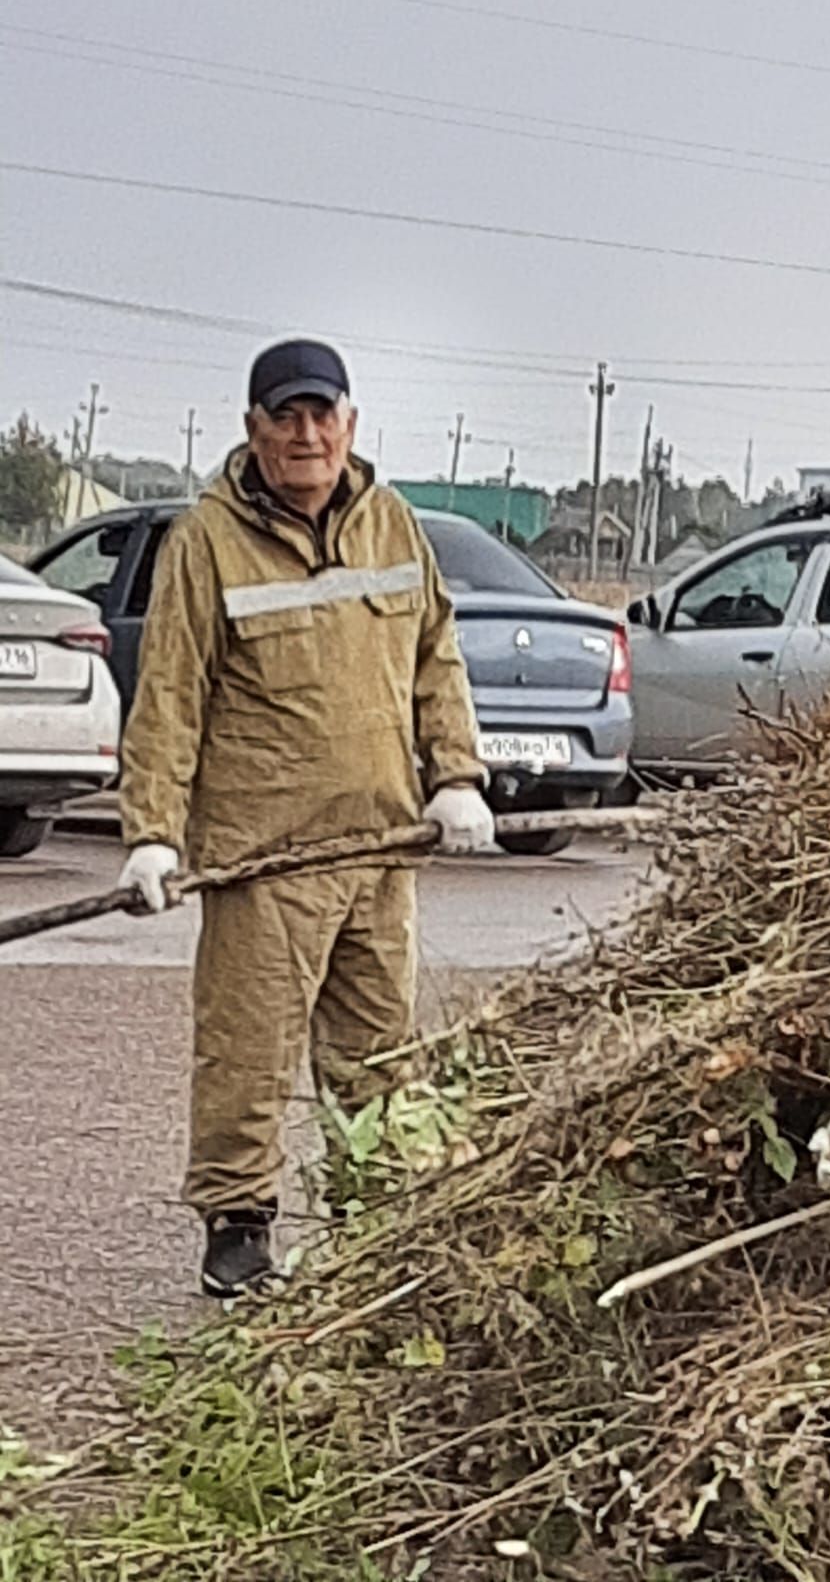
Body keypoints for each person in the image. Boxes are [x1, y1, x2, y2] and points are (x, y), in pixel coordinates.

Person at [117, 338, 495, 1298]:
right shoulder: (208, 542)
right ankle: (238, 1228)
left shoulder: (393, 526)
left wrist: (458, 776)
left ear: (350, 424)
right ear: (253, 431)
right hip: (263, 858)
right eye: (285, 417)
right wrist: (152, 833)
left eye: (322, 414)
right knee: (249, 1047)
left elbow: (435, 660)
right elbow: (169, 695)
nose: (307, 433)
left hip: (380, 846)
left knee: (380, 1054)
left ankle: (375, 1218)